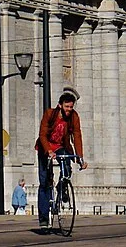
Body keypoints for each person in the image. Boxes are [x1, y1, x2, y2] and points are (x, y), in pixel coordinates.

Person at [34, 91, 86, 229]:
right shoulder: (50, 114)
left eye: (71, 107)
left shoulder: (74, 116)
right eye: (67, 107)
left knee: (67, 167)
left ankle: (62, 186)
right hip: (45, 147)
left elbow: (77, 135)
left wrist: (80, 157)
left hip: (61, 147)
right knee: (44, 183)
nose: (69, 109)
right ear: (60, 105)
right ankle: (44, 219)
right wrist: (49, 151)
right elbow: (42, 135)